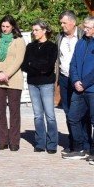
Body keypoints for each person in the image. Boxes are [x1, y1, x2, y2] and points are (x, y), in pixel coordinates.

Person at [62, 16, 94, 161]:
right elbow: (73, 63)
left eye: (88, 27)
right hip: (78, 87)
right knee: (73, 117)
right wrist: (75, 80)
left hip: (93, 89)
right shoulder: (80, 43)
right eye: (84, 27)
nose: (85, 29)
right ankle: (80, 147)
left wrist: (84, 83)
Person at [0, 15, 26, 151]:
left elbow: (19, 60)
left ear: (13, 27)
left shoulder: (19, 40)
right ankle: (2, 140)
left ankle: (14, 141)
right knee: (0, 111)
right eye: (3, 26)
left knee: (14, 111)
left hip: (13, 79)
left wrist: (7, 74)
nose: (4, 29)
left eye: (7, 27)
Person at [21, 19, 58, 154]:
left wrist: (33, 64)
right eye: (33, 30)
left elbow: (48, 67)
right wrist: (37, 65)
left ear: (44, 31)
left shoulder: (52, 47)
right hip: (32, 83)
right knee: (37, 115)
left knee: (50, 115)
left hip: (47, 83)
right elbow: (24, 65)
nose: (34, 32)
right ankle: (40, 143)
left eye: (36, 30)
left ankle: (52, 143)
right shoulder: (30, 46)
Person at [56, 10, 87, 153]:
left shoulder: (83, 36)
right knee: (68, 111)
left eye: (64, 22)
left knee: (81, 112)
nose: (62, 25)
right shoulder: (59, 38)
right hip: (64, 78)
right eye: (61, 22)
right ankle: (73, 142)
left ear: (73, 22)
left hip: (79, 79)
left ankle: (86, 144)